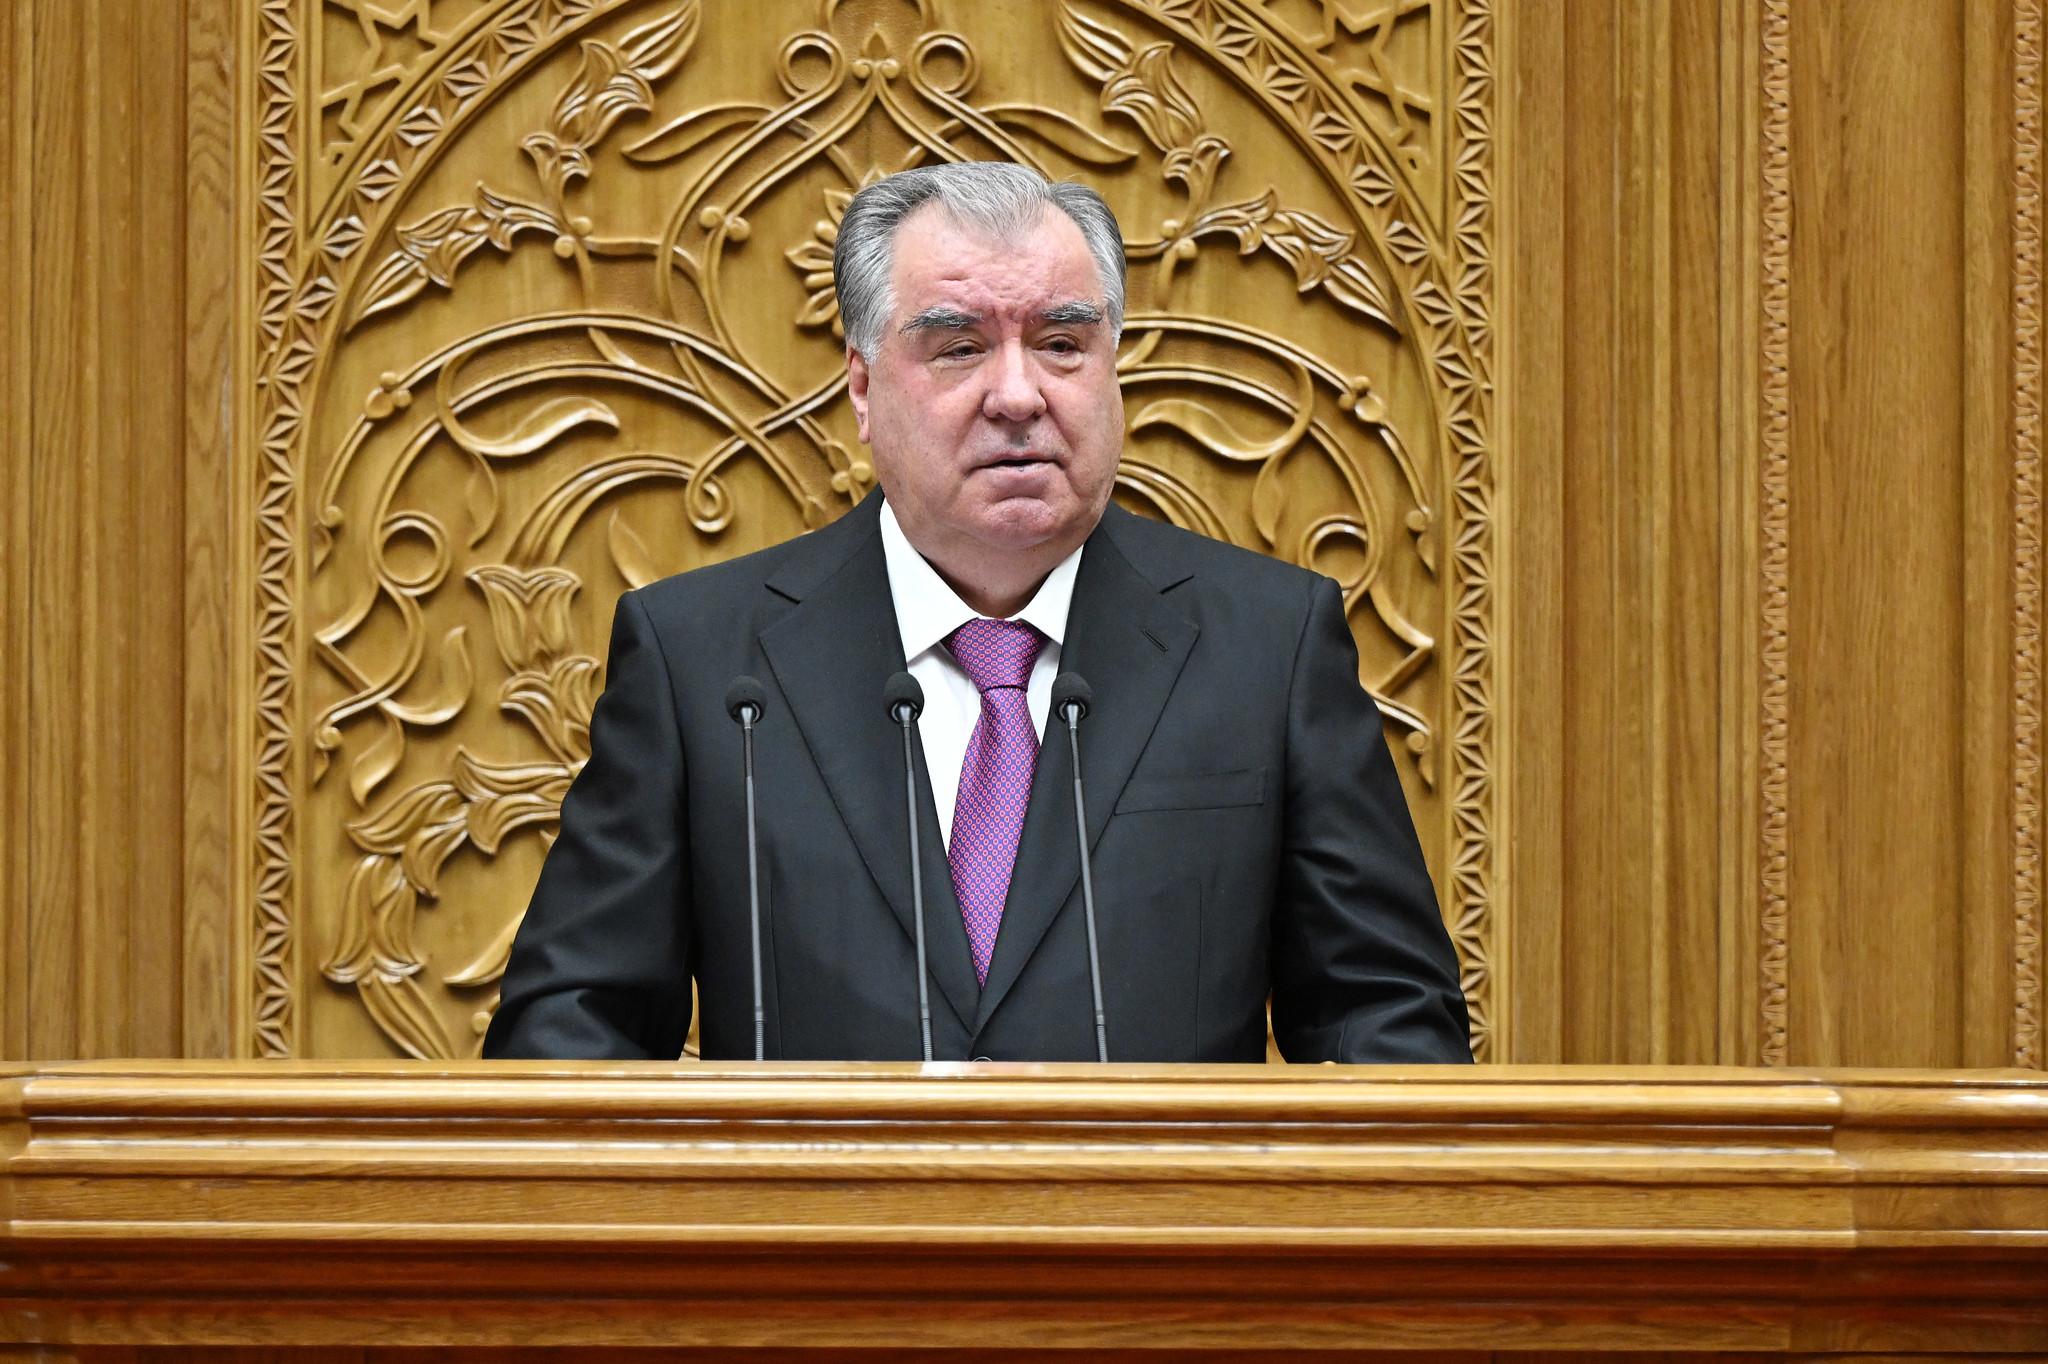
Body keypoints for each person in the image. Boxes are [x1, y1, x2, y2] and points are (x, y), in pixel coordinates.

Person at [483, 162, 1471, 1064]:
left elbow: (1390, 1028)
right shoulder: (702, 662)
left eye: (1062, 344)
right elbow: (565, 1043)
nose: (1018, 395)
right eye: (959, 347)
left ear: (1112, 367)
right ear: (862, 387)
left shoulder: (1269, 646)